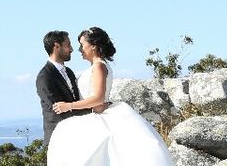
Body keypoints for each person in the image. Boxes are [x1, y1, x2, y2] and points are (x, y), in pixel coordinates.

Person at [47, 27, 174, 166]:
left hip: (97, 115)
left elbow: (98, 98)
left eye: (82, 45)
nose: (79, 49)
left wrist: (68, 106)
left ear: (93, 46)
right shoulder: (96, 66)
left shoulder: (99, 67)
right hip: (95, 113)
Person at [35, 30, 92, 146]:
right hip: (58, 138)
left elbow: (75, 101)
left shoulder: (69, 72)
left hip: (75, 135)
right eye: (68, 45)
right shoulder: (44, 76)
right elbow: (59, 109)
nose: (71, 49)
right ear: (56, 46)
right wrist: (93, 109)